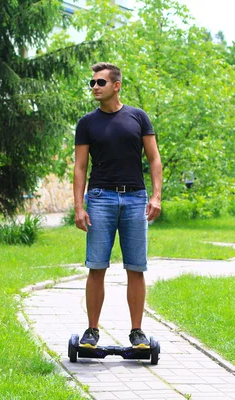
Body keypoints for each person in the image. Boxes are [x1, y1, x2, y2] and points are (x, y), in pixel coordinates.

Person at [73, 62, 162, 349]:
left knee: (136, 267)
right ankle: (92, 331)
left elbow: (154, 159)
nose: (95, 87)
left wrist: (156, 196)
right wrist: (79, 206)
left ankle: (137, 332)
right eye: (92, 83)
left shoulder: (138, 117)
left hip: (135, 199)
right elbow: (80, 167)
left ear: (116, 85)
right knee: (96, 266)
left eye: (100, 82)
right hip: (100, 199)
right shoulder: (87, 123)